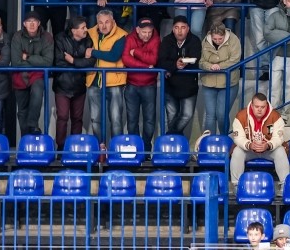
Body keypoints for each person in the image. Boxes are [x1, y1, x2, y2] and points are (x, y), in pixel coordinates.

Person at [229, 92, 290, 187]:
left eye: (262, 107)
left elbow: (278, 138)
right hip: (249, 150)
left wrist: (268, 145)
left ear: (267, 106)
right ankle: (237, 185)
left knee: (280, 151)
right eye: (257, 107)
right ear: (252, 106)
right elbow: (238, 138)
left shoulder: (275, 116)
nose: (260, 110)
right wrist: (249, 145)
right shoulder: (241, 116)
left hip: (268, 150)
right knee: (237, 151)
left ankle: (285, 185)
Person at [84, 8, 128, 142]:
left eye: (107, 22)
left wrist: (93, 52)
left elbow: (114, 56)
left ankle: (116, 148)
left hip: (114, 81)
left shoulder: (121, 35)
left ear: (113, 21)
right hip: (93, 80)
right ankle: (100, 148)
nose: (103, 26)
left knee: (115, 119)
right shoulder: (90, 32)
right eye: (100, 22)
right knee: (95, 119)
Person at [156, 15, 202, 138]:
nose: (179, 31)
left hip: (189, 86)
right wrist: (175, 65)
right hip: (170, 85)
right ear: (173, 29)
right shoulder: (167, 40)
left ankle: (168, 137)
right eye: (176, 27)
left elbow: (196, 60)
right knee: (172, 117)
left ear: (188, 28)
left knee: (186, 115)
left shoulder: (195, 40)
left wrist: (180, 65)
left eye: (183, 27)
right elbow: (161, 61)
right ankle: (174, 145)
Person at [52, 15, 93, 147]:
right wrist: (81, 62)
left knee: (77, 118)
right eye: (83, 28)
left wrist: (73, 60)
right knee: (62, 117)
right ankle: (61, 148)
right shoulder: (60, 38)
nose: (86, 30)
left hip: (79, 85)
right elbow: (59, 62)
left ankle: (75, 147)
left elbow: (90, 62)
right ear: (74, 30)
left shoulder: (88, 40)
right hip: (62, 84)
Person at [12, 10, 54, 136]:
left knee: (37, 92)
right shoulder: (17, 36)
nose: (31, 24)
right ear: (24, 24)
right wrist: (37, 61)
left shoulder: (47, 37)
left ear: (39, 23)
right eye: (29, 21)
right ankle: (25, 137)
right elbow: (16, 62)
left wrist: (28, 57)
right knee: (22, 110)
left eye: (34, 21)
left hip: (37, 75)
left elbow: (48, 62)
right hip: (20, 74)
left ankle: (32, 125)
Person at [121, 16, 160, 146]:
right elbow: (126, 59)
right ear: (137, 30)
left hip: (149, 84)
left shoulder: (156, 38)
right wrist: (146, 66)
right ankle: (135, 148)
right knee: (132, 121)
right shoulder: (130, 38)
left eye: (149, 32)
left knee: (149, 120)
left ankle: (146, 149)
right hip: (131, 85)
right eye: (144, 32)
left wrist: (136, 52)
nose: (147, 35)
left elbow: (153, 60)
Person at [199, 22, 241, 135]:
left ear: (224, 34)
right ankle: (209, 142)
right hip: (208, 82)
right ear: (211, 36)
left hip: (228, 83)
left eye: (220, 39)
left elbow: (235, 60)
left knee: (222, 114)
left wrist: (219, 66)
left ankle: (224, 139)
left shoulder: (234, 40)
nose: (217, 41)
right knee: (210, 115)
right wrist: (209, 66)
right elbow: (201, 61)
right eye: (215, 39)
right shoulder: (205, 41)